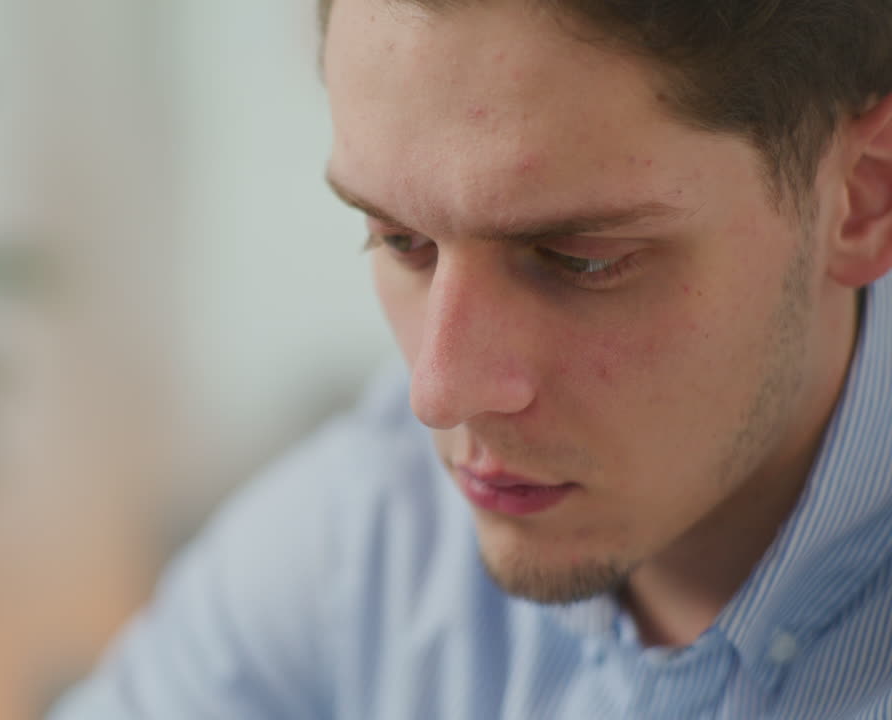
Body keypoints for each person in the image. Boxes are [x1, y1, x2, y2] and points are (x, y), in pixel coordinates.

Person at [50, 0, 892, 717]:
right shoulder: (362, 547)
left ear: (862, 198)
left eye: (581, 260)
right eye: (399, 240)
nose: (438, 394)